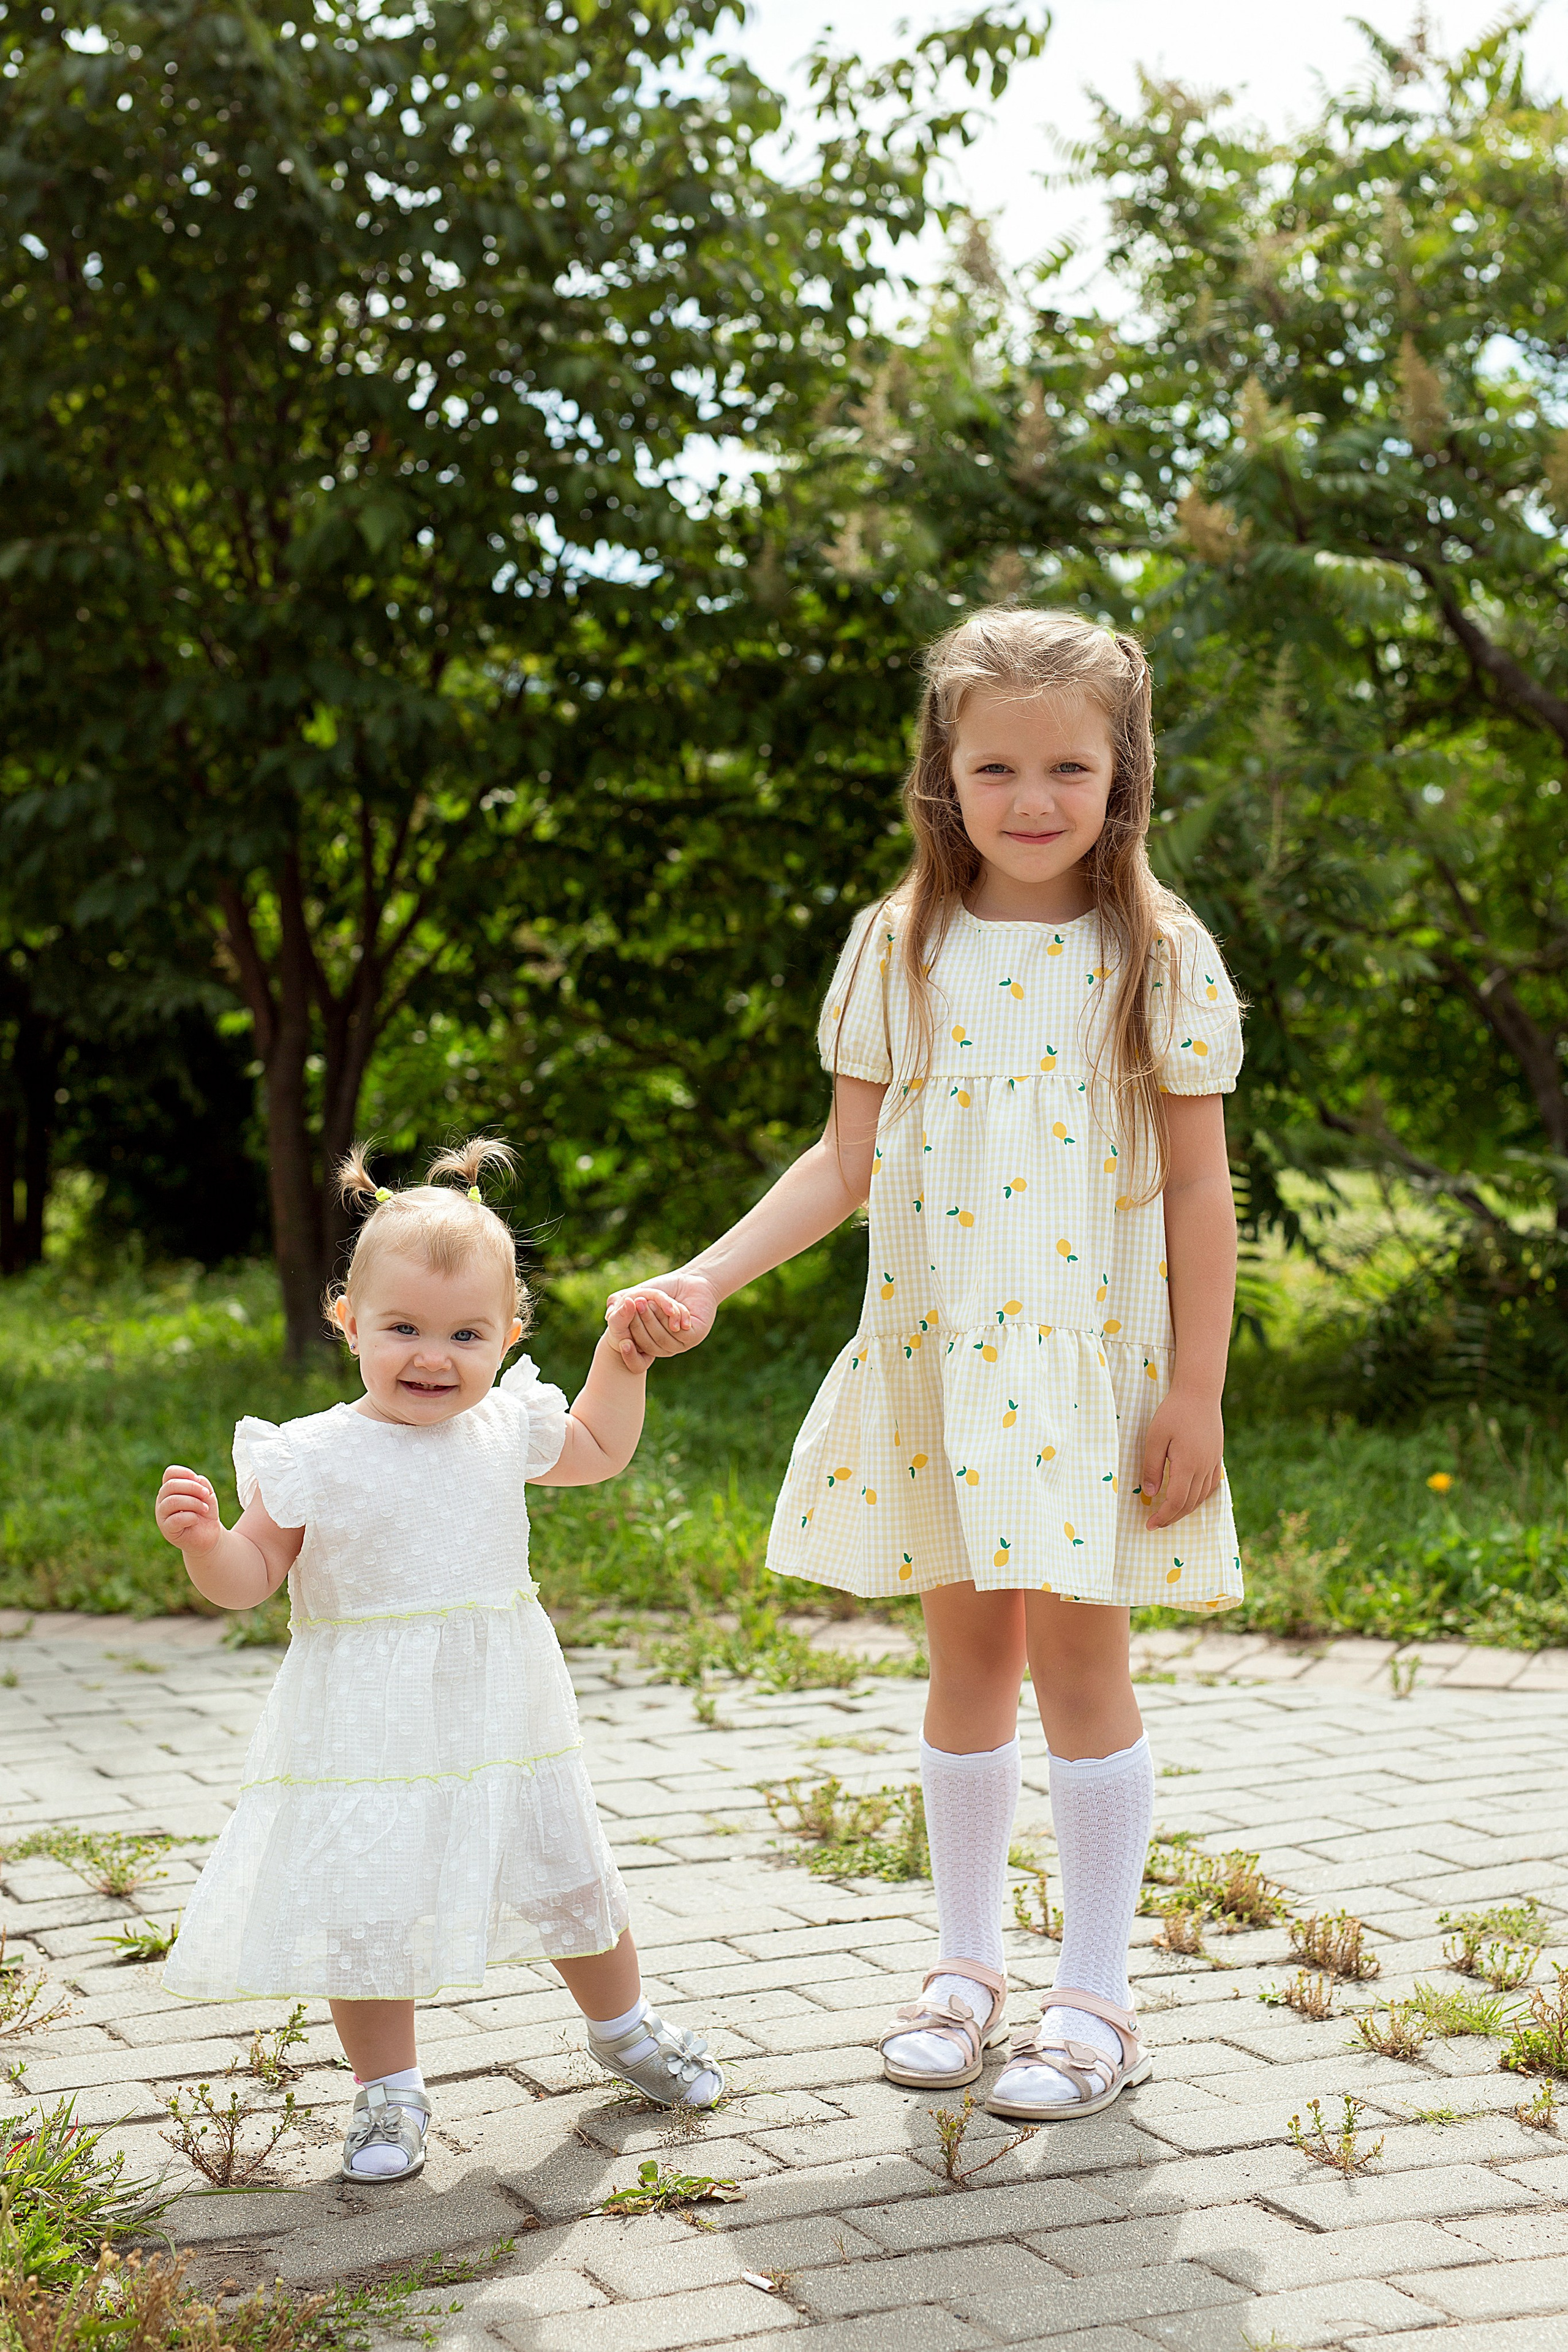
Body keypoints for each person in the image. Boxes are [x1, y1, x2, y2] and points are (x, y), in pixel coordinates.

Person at [609, 608, 1244, 2122]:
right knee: (965, 1668)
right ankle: (963, 1975)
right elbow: (842, 1162)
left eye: (1067, 767)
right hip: (942, 1364)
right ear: (942, 779)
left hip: (1092, 1369)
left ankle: (1097, 1998)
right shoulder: (897, 946)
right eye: (997, 766)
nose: (1033, 798)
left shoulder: (1156, 956)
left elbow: (1205, 1191)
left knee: (1084, 1669)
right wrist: (705, 1276)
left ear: (1122, 776)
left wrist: (1197, 1389)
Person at [153, 1137, 724, 2184]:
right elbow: (253, 1576)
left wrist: (621, 1364)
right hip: (363, 1723)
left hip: (502, 1710)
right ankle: (388, 2095)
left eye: (467, 1334)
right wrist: (204, 1545)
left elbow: (597, 1452)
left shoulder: (504, 1424)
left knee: (567, 1868)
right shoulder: (309, 1453)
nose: (434, 1356)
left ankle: (626, 2027)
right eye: (403, 1328)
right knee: (368, 1900)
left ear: (509, 1336)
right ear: (348, 1321)